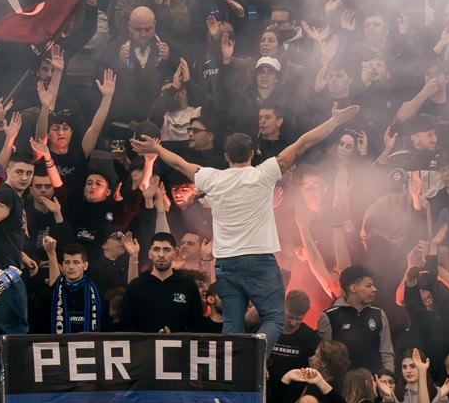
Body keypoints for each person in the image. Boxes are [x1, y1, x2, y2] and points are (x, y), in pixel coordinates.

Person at [134, 103, 360, 350]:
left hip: (227, 263)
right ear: (251, 154)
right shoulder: (262, 174)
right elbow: (302, 143)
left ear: (226, 157)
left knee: (232, 324)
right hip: (259, 261)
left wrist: (156, 148)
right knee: (273, 318)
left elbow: (178, 163)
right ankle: (254, 358)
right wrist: (334, 121)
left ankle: (235, 373)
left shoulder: (214, 178)